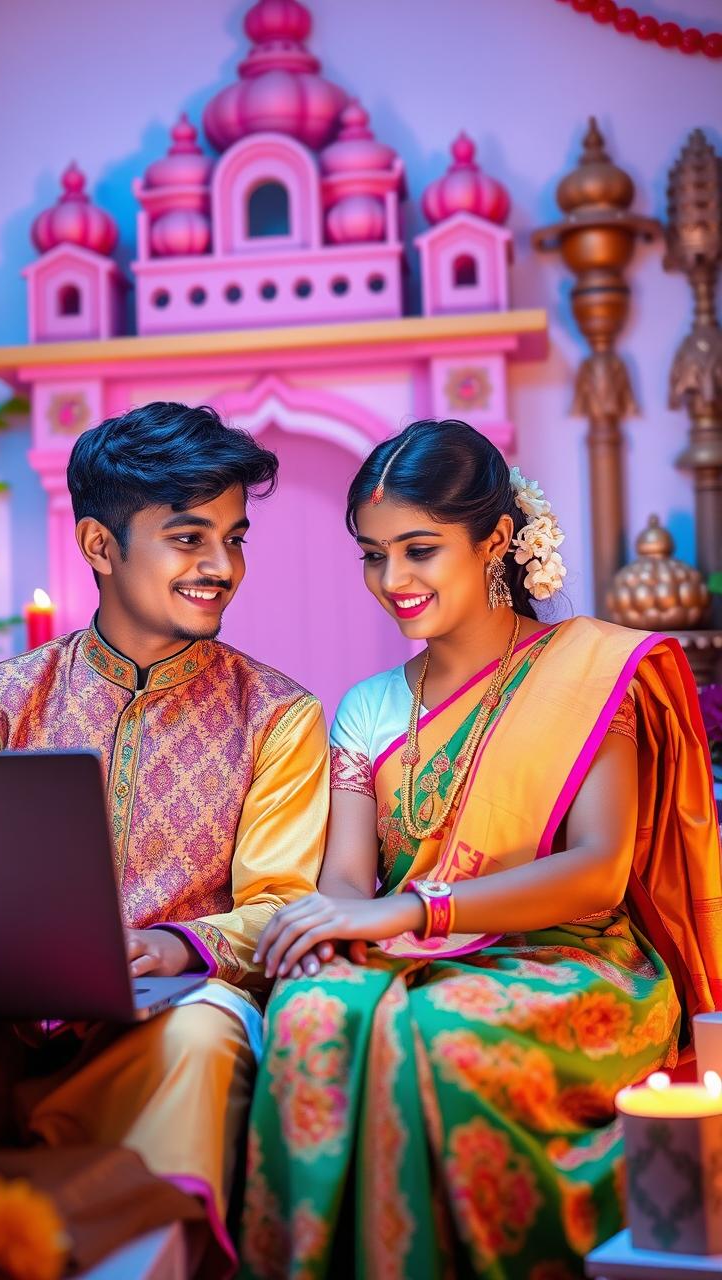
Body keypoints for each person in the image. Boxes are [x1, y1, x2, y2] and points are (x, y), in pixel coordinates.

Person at [241, 419, 722, 1280]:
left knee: (442, 1034)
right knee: (311, 1012)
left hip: (577, 956)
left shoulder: (586, 673)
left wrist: (417, 908)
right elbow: (350, 876)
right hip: (405, 947)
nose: (392, 581)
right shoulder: (368, 708)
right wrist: (335, 927)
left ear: (496, 538)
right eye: (372, 554)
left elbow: (599, 872)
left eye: (419, 550)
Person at [0, 401, 329, 1276]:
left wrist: (173, 945)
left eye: (234, 538)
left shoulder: (279, 716)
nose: (221, 567)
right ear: (99, 546)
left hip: (156, 1036)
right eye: (188, 538)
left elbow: (281, 905)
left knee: (206, 1036)